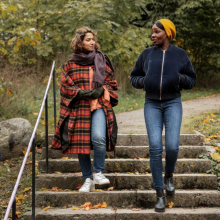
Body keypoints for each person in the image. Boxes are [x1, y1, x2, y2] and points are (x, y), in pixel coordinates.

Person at [130, 19, 196, 212]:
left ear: (167, 33)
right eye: (152, 32)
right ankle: (159, 194)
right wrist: (144, 81)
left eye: (157, 31)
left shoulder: (180, 54)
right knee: (155, 147)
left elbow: (192, 79)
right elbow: (133, 77)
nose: (153, 35)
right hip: (151, 103)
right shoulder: (146, 54)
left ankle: (169, 175)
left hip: (172, 102)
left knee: (172, 146)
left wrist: (179, 78)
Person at [52, 27, 118, 193]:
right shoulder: (69, 65)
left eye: (93, 39)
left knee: (98, 137)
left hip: (98, 106)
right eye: (88, 40)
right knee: (81, 144)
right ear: (79, 42)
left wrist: (103, 90)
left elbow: (111, 82)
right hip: (79, 107)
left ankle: (98, 173)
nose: (92, 42)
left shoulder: (102, 60)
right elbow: (65, 85)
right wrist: (80, 93)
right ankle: (87, 179)